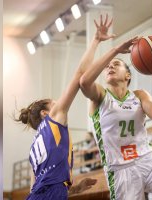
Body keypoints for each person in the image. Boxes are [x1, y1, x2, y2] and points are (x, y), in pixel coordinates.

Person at [79, 36, 152, 199]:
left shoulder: (139, 96)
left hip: (149, 161)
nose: (110, 66)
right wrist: (115, 51)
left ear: (127, 75)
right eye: (107, 66)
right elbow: (84, 81)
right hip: (121, 172)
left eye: (116, 64)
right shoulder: (100, 96)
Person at [14, 15, 115, 199]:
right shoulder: (53, 119)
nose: (59, 104)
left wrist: (76, 188)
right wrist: (95, 41)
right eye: (54, 102)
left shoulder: (34, 148)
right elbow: (80, 75)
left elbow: (34, 189)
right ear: (46, 113)